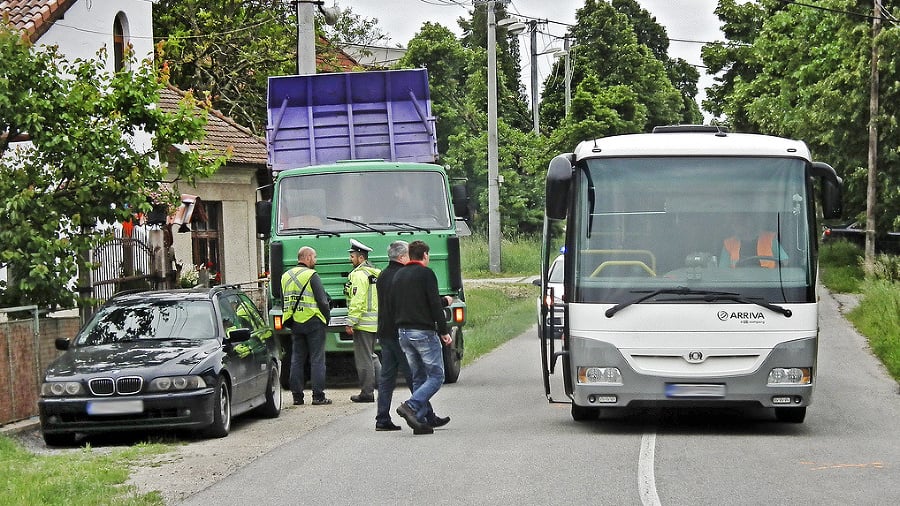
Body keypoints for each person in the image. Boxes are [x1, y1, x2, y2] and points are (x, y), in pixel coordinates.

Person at [374, 240, 450, 431]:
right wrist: (443, 330)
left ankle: (417, 418)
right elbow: (430, 303)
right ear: (424, 255)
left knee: (410, 376)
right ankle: (413, 406)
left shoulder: (391, 275)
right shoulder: (423, 274)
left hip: (397, 330)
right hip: (416, 331)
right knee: (434, 375)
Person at [282, 246, 332, 406]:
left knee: (296, 359)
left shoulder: (285, 276)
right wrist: (327, 318)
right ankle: (318, 396)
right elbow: (323, 301)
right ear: (308, 257)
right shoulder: (312, 275)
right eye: (315, 257)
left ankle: (297, 396)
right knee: (317, 359)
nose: (315, 261)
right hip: (314, 321)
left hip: (295, 321)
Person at [344, 239, 381, 403]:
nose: (350, 259)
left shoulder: (359, 275)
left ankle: (367, 392)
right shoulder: (375, 273)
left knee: (364, 358)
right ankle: (383, 384)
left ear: (360, 257)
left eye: (352, 256)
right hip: (374, 322)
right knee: (371, 355)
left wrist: (351, 321)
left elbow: (358, 300)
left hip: (363, 322)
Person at [720, 215, 789, 268]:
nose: (738, 225)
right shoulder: (728, 244)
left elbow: (785, 261)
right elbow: (723, 270)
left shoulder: (769, 239)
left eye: (743, 221)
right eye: (735, 223)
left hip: (768, 283)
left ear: (751, 222)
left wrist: (775, 273)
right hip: (738, 284)